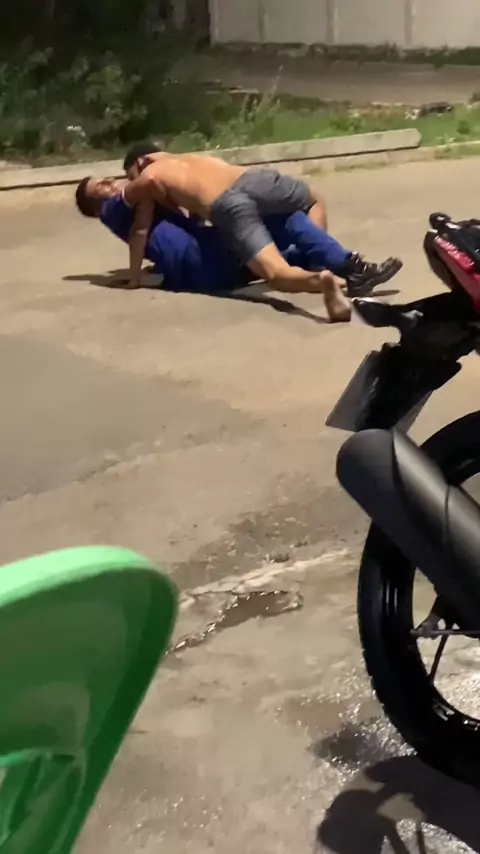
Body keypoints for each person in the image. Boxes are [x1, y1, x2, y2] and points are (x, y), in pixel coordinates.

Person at [117, 142, 402, 297]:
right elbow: (195, 215)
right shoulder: (193, 158)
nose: (135, 180)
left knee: (275, 273)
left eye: (132, 175)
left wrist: (134, 275)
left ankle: (321, 279)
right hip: (253, 180)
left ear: (140, 162)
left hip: (228, 205)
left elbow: (138, 225)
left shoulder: (150, 174)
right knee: (304, 208)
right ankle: (353, 266)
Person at [74, 177, 357, 321]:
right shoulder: (111, 209)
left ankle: (321, 278)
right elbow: (145, 204)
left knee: (278, 259)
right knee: (283, 219)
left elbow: (152, 230)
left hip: (200, 277)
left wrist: (148, 269)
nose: (110, 182)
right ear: (95, 207)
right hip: (202, 254)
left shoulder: (131, 211)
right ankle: (346, 265)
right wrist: (135, 276)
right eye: (100, 186)